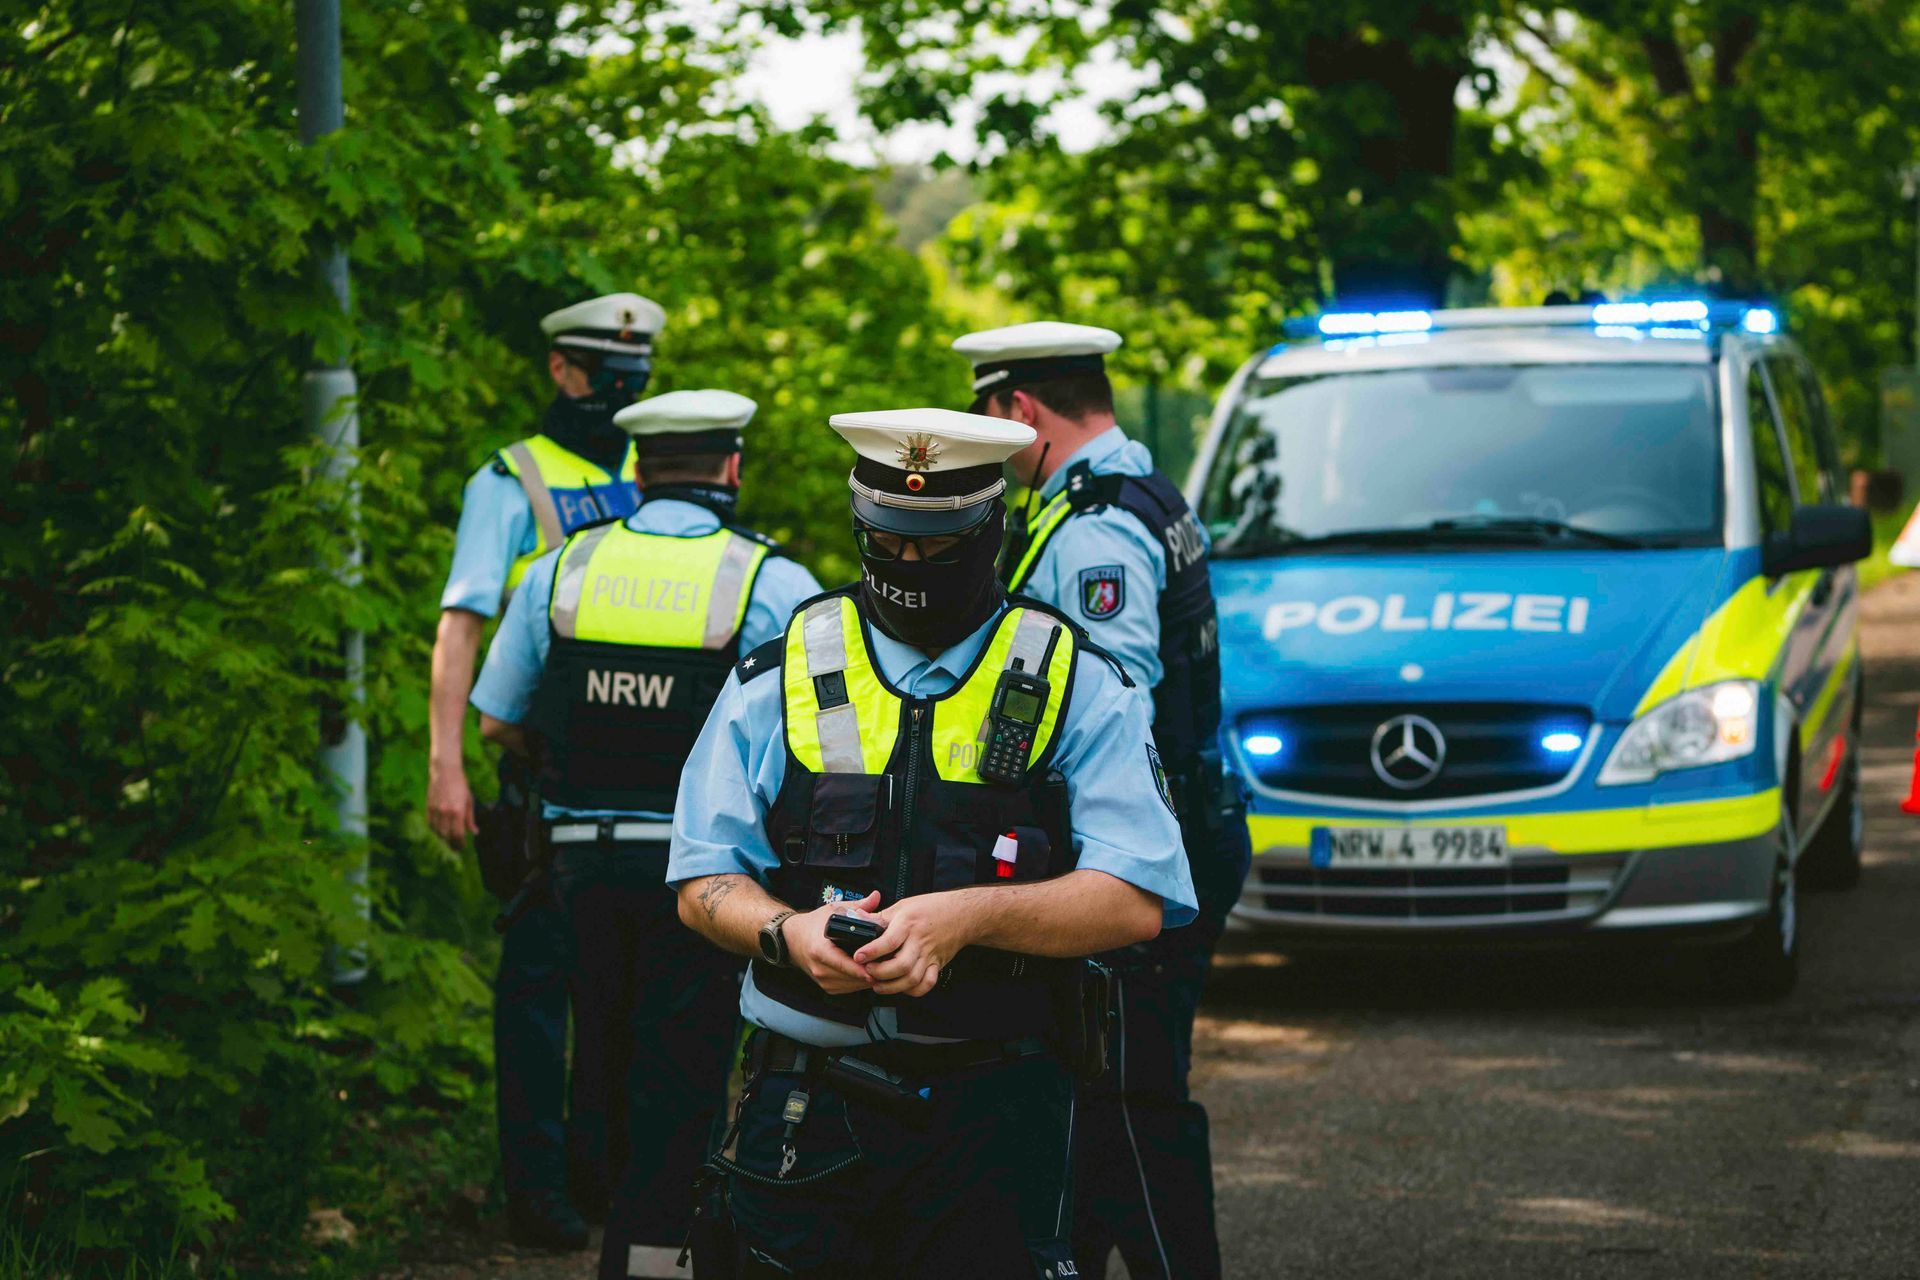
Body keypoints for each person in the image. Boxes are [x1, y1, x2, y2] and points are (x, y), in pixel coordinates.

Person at [668, 406, 1198, 1279]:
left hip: (997, 1114)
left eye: (939, 545)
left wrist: (967, 918)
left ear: (991, 531)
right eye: (888, 542)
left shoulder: (1078, 682)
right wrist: (788, 933)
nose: (910, 567)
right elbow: (702, 880)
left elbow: (1138, 897)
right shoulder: (783, 669)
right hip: (803, 1107)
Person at [471, 389, 823, 1279]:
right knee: (683, 1071)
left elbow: (497, 719)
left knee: (595, 1046)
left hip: (574, 867)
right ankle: (654, 1247)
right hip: (699, 879)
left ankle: (593, 1203)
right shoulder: (769, 580)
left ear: (638, 471)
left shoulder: (564, 569)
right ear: (732, 468)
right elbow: (815, 739)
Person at [956, 321, 1253, 1280]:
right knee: (1091, 1095)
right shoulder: (1142, 490)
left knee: (1131, 1105)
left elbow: (1118, 706)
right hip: (1188, 826)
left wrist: (1099, 870)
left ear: (1020, 408)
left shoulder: (1095, 528)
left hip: (1136, 855)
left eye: (987, 415)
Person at [426, 291, 663, 1250]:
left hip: (639, 776)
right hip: (536, 772)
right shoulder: (511, 480)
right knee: (536, 994)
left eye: (635, 379)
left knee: (619, 992)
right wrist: (446, 765)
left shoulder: (654, 471)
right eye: (605, 376)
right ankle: (536, 1192)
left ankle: (600, 1176)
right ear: (562, 370)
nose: (620, 394)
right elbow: (462, 623)